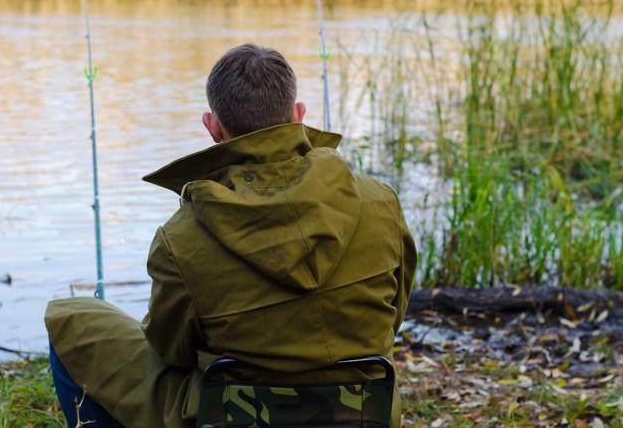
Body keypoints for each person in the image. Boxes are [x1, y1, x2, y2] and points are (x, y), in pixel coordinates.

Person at [45, 43, 417, 428]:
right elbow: (393, 315)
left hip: (233, 416)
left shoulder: (181, 236)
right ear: (298, 115)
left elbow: (172, 352)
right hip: (360, 413)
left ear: (213, 127)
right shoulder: (381, 203)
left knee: (70, 318)